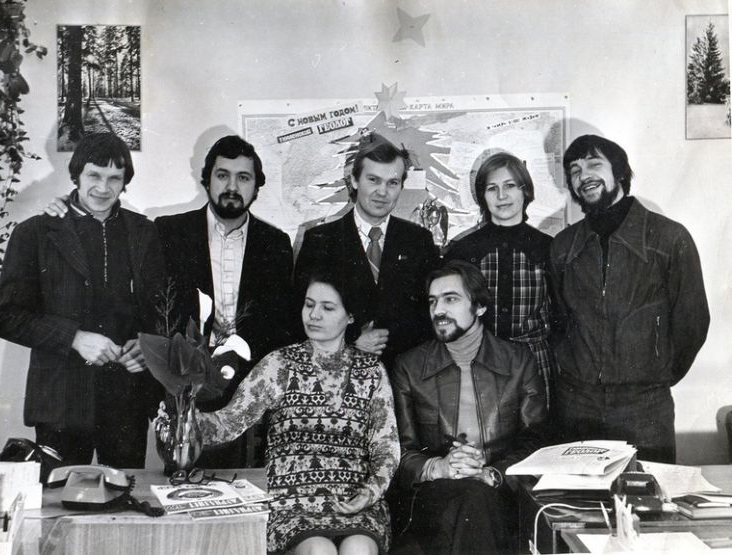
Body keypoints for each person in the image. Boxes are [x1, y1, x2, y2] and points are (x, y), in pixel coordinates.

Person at [45, 134, 296, 468]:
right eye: (222, 175)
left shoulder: (276, 243)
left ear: (256, 186)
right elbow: (146, 305)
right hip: (183, 391)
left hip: (249, 392)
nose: (232, 186)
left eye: (244, 177)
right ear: (207, 179)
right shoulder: (168, 231)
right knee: (182, 486)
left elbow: (282, 325)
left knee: (246, 486)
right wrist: (69, 204)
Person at [0, 132, 164, 468]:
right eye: (94, 175)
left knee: (125, 494)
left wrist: (148, 346)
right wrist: (75, 338)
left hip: (127, 399)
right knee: (59, 496)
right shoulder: (34, 232)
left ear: (125, 182)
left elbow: (161, 309)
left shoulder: (144, 232)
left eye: (114, 178)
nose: (103, 187)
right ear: (76, 175)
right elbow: (6, 317)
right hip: (60, 401)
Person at [198, 272, 399, 555]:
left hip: (356, 501)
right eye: (309, 304)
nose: (314, 315)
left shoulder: (372, 371)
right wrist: (183, 420)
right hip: (290, 504)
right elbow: (228, 423)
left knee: (358, 549)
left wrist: (370, 492)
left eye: (328, 308)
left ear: (351, 316)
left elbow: (386, 446)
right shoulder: (279, 364)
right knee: (319, 550)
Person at [550, 134, 710, 463]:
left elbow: (692, 323)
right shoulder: (562, 247)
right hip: (577, 406)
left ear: (620, 171)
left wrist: (653, 377)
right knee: (577, 494)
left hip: (645, 408)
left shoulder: (670, 238)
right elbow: (558, 322)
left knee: (645, 492)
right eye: (575, 171)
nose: (583, 176)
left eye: (594, 164)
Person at [392, 260, 547, 555]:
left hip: (501, 490)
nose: (438, 310)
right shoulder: (409, 367)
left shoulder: (518, 361)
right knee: (472, 501)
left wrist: (492, 473)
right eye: (433, 301)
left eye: (450, 299)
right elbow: (398, 450)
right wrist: (438, 467)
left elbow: (536, 443)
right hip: (434, 495)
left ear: (480, 306)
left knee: (476, 498)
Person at [294, 132, 437, 368]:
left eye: (392, 183)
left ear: (401, 186)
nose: (382, 192)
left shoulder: (419, 240)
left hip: (405, 377)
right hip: (339, 373)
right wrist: (351, 340)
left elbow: (430, 315)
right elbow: (299, 316)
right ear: (354, 180)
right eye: (373, 180)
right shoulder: (319, 240)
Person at [444, 152, 555, 404]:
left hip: (534, 366)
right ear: (482, 196)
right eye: (492, 188)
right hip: (477, 364)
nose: (502, 196)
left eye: (510, 185)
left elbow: (561, 318)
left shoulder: (547, 248)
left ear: (525, 191)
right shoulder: (463, 251)